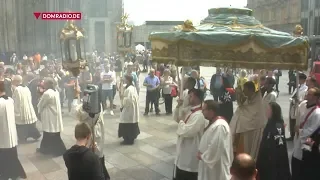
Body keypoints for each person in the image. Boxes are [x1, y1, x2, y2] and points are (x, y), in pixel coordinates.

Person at [173, 88, 207, 180]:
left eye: (190, 96)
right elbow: (177, 118)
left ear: (197, 98)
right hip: (183, 148)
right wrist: (179, 106)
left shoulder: (199, 115)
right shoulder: (189, 109)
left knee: (187, 173)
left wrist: (181, 122)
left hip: (191, 150)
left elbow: (188, 131)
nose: (188, 98)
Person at [230, 81, 267, 159]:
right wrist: (238, 94)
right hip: (244, 132)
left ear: (250, 90)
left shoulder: (257, 100)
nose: (243, 92)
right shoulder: (248, 98)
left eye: (245, 90)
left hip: (252, 131)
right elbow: (241, 106)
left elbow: (248, 113)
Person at [198, 100, 233, 180]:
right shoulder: (214, 123)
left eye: (203, 110)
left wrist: (202, 156)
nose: (202, 112)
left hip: (216, 167)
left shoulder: (220, 126)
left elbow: (216, 147)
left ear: (211, 111)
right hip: (210, 166)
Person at [256, 102, 291, 180]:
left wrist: (271, 158)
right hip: (266, 158)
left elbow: (279, 146)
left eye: (268, 109)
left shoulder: (278, 126)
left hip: (272, 161)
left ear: (273, 111)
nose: (266, 111)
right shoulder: (270, 122)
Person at [75, 103, 110, 179]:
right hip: (92, 133)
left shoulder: (86, 107)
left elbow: (78, 114)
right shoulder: (98, 104)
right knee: (95, 156)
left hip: (91, 133)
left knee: (93, 156)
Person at [292, 87, 320, 180]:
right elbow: (297, 115)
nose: (307, 95)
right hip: (297, 139)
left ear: (316, 98)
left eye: (310, 94)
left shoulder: (317, 113)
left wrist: (300, 131)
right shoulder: (303, 104)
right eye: (307, 93)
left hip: (306, 145)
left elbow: (312, 130)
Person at [0, 81, 27, 180]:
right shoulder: (10, 100)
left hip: (2, 134)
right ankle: (14, 173)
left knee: (4, 156)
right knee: (12, 154)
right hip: (11, 133)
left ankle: (6, 174)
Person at [37, 77, 66, 156]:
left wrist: (38, 109)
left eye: (44, 83)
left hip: (50, 115)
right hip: (54, 114)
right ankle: (44, 149)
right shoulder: (55, 90)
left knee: (52, 134)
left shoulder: (47, 93)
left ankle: (60, 150)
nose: (43, 84)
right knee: (48, 134)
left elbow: (41, 104)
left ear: (47, 84)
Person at [12, 75, 41, 142]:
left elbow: (16, 100)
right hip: (28, 108)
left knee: (21, 126)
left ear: (16, 81)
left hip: (21, 109)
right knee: (30, 125)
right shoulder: (26, 88)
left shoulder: (17, 89)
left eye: (13, 81)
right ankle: (35, 135)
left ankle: (22, 138)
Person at [118, 75, 140, 145]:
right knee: (128, 123)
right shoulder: (131, 87)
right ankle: (128, 138)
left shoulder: (130, 89)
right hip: (130, 109)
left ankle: (129, 139)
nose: (123, 80)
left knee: (127, 123)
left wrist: (123, 98)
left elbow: (129, 100)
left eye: (124, 79)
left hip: (129, 109)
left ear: (128, 80)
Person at [288, 73, 308, 141]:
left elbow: (304, 99)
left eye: (299, 79)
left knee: (296, 121)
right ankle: (292, 134)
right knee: (291, 120)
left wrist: (298, 100)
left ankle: (295, 135)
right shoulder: (298, 87)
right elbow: (292, 96)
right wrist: (292, 100)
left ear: (303, 80)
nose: (298, 80)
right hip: (293, 105)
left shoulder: (305, 89)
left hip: (298, 106)